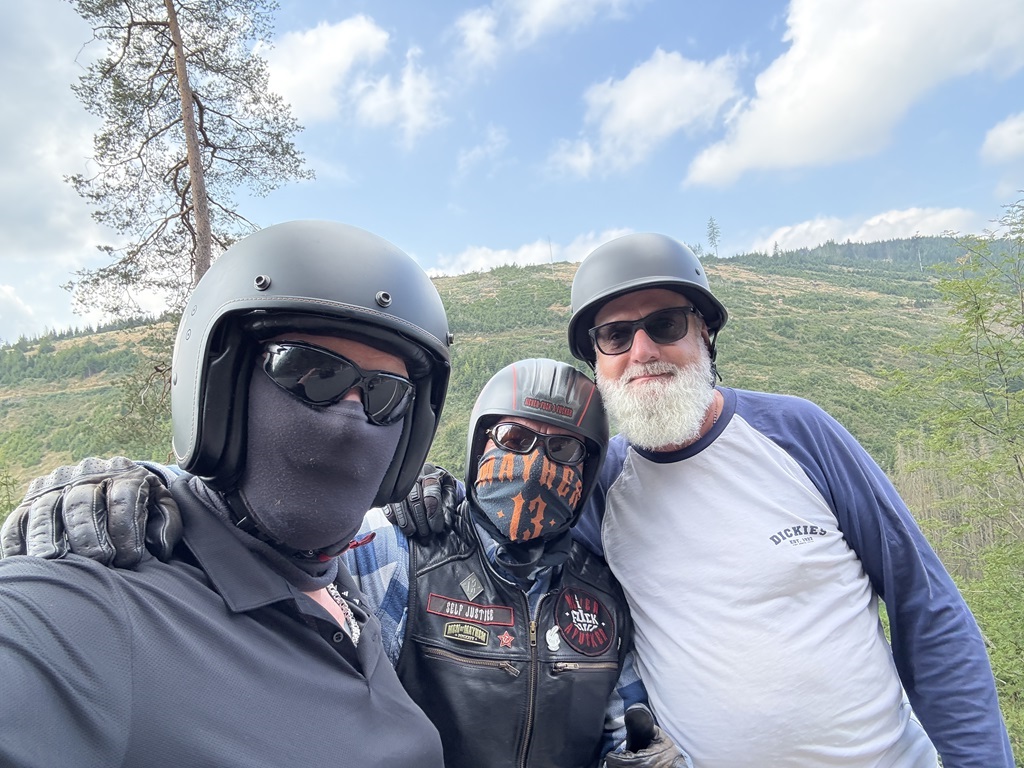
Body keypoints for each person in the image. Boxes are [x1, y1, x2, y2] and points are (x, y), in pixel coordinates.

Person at [3, 359, 691, 768]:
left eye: (564, 450)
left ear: (589, 468)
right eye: (514, 438)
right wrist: (145, 483)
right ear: (480, 446)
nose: (535, 464)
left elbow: (620, 730)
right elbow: (274, 528)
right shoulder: (400, 549)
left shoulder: (601, 599)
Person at [0, 220, 453, 766]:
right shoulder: (99, 612)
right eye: (311, 372)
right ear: (220, 392)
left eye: (385, 393)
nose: (351, 418)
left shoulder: (343, 588)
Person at [564, 232, 1015, 767]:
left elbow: (927, 606)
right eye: (616, 335)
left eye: (665, 325)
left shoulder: (798, 433)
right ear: (597, 359)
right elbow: (533, 581)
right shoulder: (601, 486)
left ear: (704, 333)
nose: (642, 352)